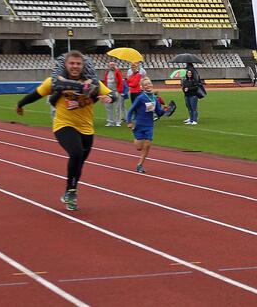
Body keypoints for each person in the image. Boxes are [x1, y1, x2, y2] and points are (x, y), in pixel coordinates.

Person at [15, 50, 114, 211]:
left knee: (79, 164)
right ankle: (72, 191)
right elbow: (36, 94)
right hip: (63, 125)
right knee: (76, 154)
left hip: (86, 128)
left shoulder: (92, 83)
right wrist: (20, 104)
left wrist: (110, 98)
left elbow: (112, 94)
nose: (75, 66)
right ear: (66, 65)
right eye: (72, 63)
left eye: (78, 64)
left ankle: (70, 191)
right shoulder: (54, 81)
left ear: (83, 66)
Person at [127, 77, 165, 173]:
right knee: (139, 147)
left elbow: (159, 112)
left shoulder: (154, 98)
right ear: (142, 87)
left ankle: (140, 165)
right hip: (139, 125)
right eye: (146, 85)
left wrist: (165, 110)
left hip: (149, 125)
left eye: (149, 83)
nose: (148, 86)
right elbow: (131, 110)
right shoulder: (140, 98)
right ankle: (134, 132)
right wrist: (129, 122)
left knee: (148, 144)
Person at [103, 62, 124, 126]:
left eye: (113, 65)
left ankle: (118, 121)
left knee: (117, 107)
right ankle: (110, 122)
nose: (112, 66)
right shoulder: (107, 73)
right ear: (108, 66)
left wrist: (119, 91)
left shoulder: (117, 72)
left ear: (115, 65)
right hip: (108, 92)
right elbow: (105, 82)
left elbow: (120, 82)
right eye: (110, 65)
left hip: (116, 91)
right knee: (108, 107)